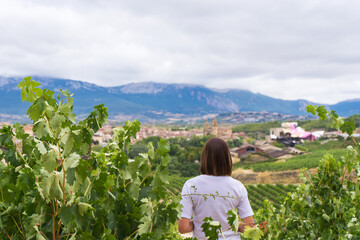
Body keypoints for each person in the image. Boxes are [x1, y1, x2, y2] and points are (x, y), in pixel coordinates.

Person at [178, 137, 254, 239]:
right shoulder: (238, 187)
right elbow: (250, 227)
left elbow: (183, 228)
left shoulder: (191, 185)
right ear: (227, 159)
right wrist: (237, 226)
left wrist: (199, 224)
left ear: (204, 158)